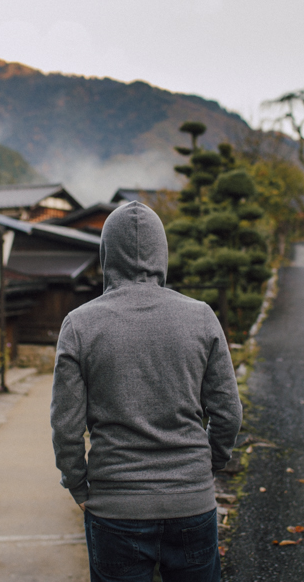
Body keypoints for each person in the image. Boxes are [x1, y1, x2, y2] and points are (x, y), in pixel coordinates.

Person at [51, 201, 243, 582]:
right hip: (191, 500)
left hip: (114, 507)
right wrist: (207, 467)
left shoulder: (79, 325)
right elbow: (228, 413)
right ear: (162, 253)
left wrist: (77, 484)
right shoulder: (201, 316)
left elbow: (66, 428)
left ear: (107, 255)